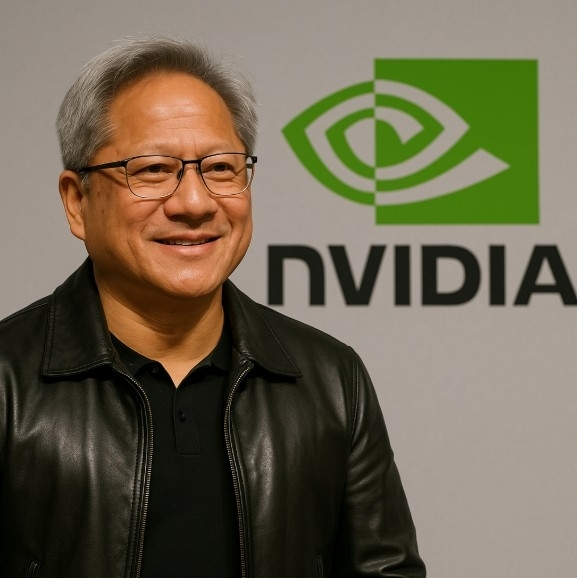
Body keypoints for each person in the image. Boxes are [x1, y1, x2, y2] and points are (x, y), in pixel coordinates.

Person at [0, 36, 426, 578]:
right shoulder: (8, 383)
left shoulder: (330, 380)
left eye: (221, 168)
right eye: (153, 169)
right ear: (77, 201)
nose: (195, 202)